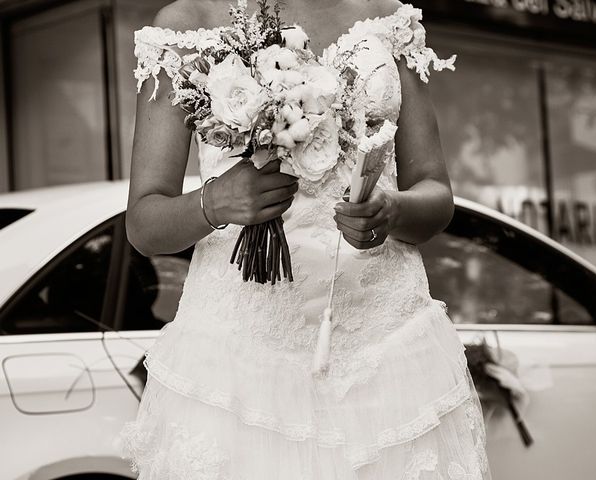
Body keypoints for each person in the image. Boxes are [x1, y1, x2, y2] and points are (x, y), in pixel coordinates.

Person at [119, 0, 492, 478]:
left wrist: (393, 209)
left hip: (389, 354)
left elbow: (437, 195)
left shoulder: (388, 18)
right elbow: (144, 224)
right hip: (240, 362)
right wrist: (215, 203)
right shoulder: (185, 25)